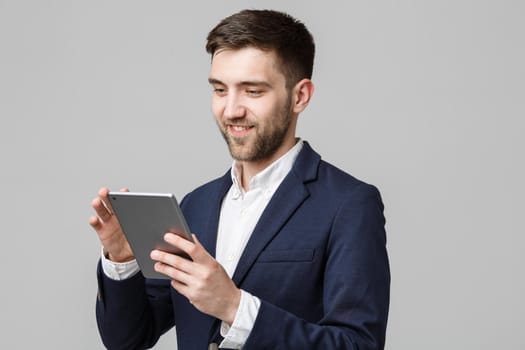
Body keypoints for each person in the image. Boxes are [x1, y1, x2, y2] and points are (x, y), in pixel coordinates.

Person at [90, 9, 390, 350]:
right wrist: (121, 259)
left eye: (253, 91)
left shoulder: (349, 204)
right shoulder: (196, 205)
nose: (231, 109)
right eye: (220, 89)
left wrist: (235, 307)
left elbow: (358, 345)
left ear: (300, 96)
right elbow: (126, 339)